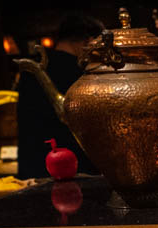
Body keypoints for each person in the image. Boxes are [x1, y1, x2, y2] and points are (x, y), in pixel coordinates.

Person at [16, 13, 104, 179]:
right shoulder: (82, 72)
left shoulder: (33, 67)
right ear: (89, 41)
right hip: (72, 167)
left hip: (32, 164)